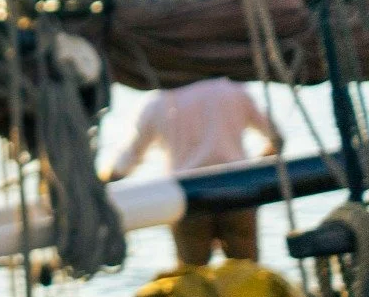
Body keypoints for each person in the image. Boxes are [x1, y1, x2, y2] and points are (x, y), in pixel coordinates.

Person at [104, 76, 282, 265]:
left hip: (187, 198)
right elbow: (277, 139)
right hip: (239, 192)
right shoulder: (233, 89)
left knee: (192, 274)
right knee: (247, 271)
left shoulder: (158, 102)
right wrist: (255, 174)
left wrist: (101, 184)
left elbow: (130, 158)